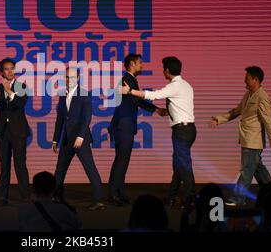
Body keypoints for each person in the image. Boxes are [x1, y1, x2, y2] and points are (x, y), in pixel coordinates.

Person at [121, 56, 196, 209]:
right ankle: (171, 198)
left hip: (182, 130)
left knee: (184, 166)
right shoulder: (185, 85)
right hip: (187, 129)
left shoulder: (175, 86)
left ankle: (190, 200)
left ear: (167, 71)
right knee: (178, 165)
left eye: (163, 69)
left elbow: (153, 95)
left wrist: (130, 90)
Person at [210, 66, 271, 207]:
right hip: (247, 139)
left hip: (253, 140)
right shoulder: (248, 94)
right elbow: (237, 111)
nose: (244, 81)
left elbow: (268, 120)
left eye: (247, 78)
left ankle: (238, 198)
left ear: (255, 79)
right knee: (259, 171)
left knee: (247, 170)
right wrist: (219, 119)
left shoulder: (262, 97)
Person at [108, 54, 164, 206]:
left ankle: (119, 192)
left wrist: (156, 110)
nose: (142, 66)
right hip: (123, 126)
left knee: (122, 161)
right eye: (140, 63)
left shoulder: (130, 80)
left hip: (124, 126)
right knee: (121, 161)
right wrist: (156, 109)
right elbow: (136, 100)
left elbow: (135, 100)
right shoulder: (127, 80)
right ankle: (114, 193)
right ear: (132, 64)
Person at [52, 67, 106, 211]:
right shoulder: (62, 94)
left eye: (73, 77)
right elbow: (60, 119)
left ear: (78, 78)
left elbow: (86, 117)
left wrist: (81, 136)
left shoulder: (84, 93)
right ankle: (56, 197)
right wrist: (55, 139)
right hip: (66, 139)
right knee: (60, 169)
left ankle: (100, 200)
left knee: (90, 168)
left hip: (80, 138)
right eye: (67, 77)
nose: (70, 80)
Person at [0, 58, 30, 207]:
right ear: (1, 72)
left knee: (20, 164)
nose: (10, 71)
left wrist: (9, 91)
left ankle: (25, 197)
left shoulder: (22, 86)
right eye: (7, 69)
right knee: (4, 166)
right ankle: (2, 197)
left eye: (12, 68)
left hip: (18, 132)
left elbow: (20, 103)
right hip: (3, 132)